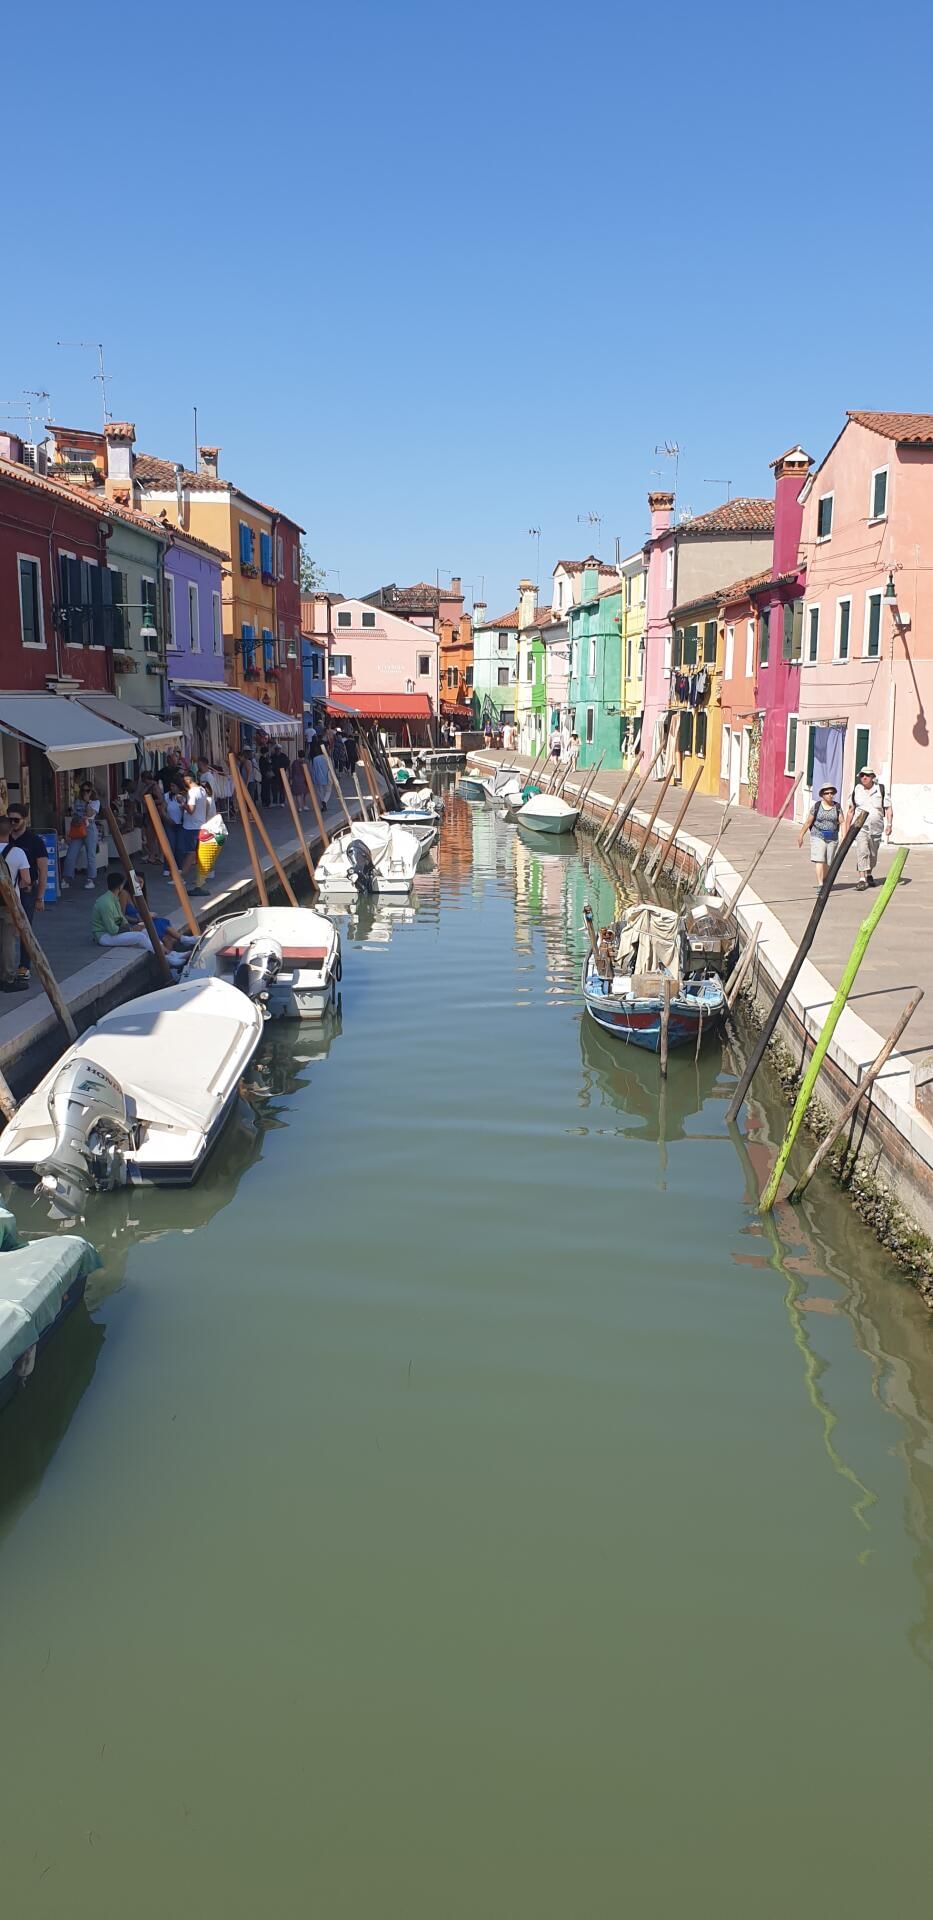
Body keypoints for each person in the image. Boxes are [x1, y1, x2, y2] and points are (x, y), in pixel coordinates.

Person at [6, 805, 50, 985]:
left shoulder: (35, 841)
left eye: (16, 820)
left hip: (26, 890)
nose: (13, 824)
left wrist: (40, 897)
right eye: (9, 820)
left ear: (25, 819)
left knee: (25, 928)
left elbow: (43, 871)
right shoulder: (4, 838)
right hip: (6, 889)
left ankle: (24, 965)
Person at [844, 766, 893, 891]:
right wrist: (846, 829)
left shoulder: (880, 789)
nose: (864, 777)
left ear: (872, 777)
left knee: (872, 853)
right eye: (862, 775)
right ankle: (862, 879)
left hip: (876, 827)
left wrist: (889, 824)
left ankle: (869, 873)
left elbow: (888, 808)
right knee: (862, 850)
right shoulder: (857, 790)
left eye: (867, 775)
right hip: (860, 827)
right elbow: (851, 810)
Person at [0, 816, 31, 991]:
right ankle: (8, 978)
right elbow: (26, 880)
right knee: (8, 943)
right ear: (10, 831)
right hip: (9, 903)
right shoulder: (18, 852)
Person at [92, 871, 159, 952]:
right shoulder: (106, 903)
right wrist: (131, 929)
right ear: (120, 886)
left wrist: (134, 927)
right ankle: (164, 955)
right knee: (140, 936)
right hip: (104, 936)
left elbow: (121, 919)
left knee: (145, 931)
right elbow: (112, 930)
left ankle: (166, 952)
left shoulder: (114, 899)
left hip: (114, 932)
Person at [798, 782, 842, 889]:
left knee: (828, 861)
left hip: (832, 837)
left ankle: (824, 879)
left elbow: (842, 821)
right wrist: (801, 835)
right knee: (819, 859)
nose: (829, 795)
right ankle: (820, 884)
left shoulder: (837, 807)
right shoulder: (817, 806)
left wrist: (844, 836)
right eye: (826, 793)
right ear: (822, 795)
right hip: (818, 835)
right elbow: (808, 822)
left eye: (831, 793)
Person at [61, 783, 101, 890]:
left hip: (89, 827)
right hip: (78, 827)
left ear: (92, 792)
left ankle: (91, 879)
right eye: (83, 790)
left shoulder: (95, 802)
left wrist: (88, 801)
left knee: (90, 855)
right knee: (71, 854)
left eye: (88, 791)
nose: (85, 793)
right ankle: (67, 878)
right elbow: (74, 814)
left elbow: (89, 814)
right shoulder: (77, 801)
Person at [179, 771, 210, 895]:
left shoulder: (192, 792)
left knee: (190, 853)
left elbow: (191, 810)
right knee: (198, 853)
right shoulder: (202, 790)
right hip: (200, 824)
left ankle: (181, 877)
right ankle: (200, 879)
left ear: (188, 780)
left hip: (191, 827)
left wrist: (182, 803)